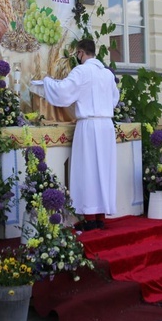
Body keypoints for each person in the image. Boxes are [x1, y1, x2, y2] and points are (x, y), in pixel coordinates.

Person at [38, 39, 119, 231]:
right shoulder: (107, 74)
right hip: (106, 125)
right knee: (103, 171)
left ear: (81, 53)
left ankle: (90, 218)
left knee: (88, 170)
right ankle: (100, 217)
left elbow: (63, 91)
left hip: (89, 126)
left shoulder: (82, 71)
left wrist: (47, 81)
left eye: (77, 54)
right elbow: (114, 98)